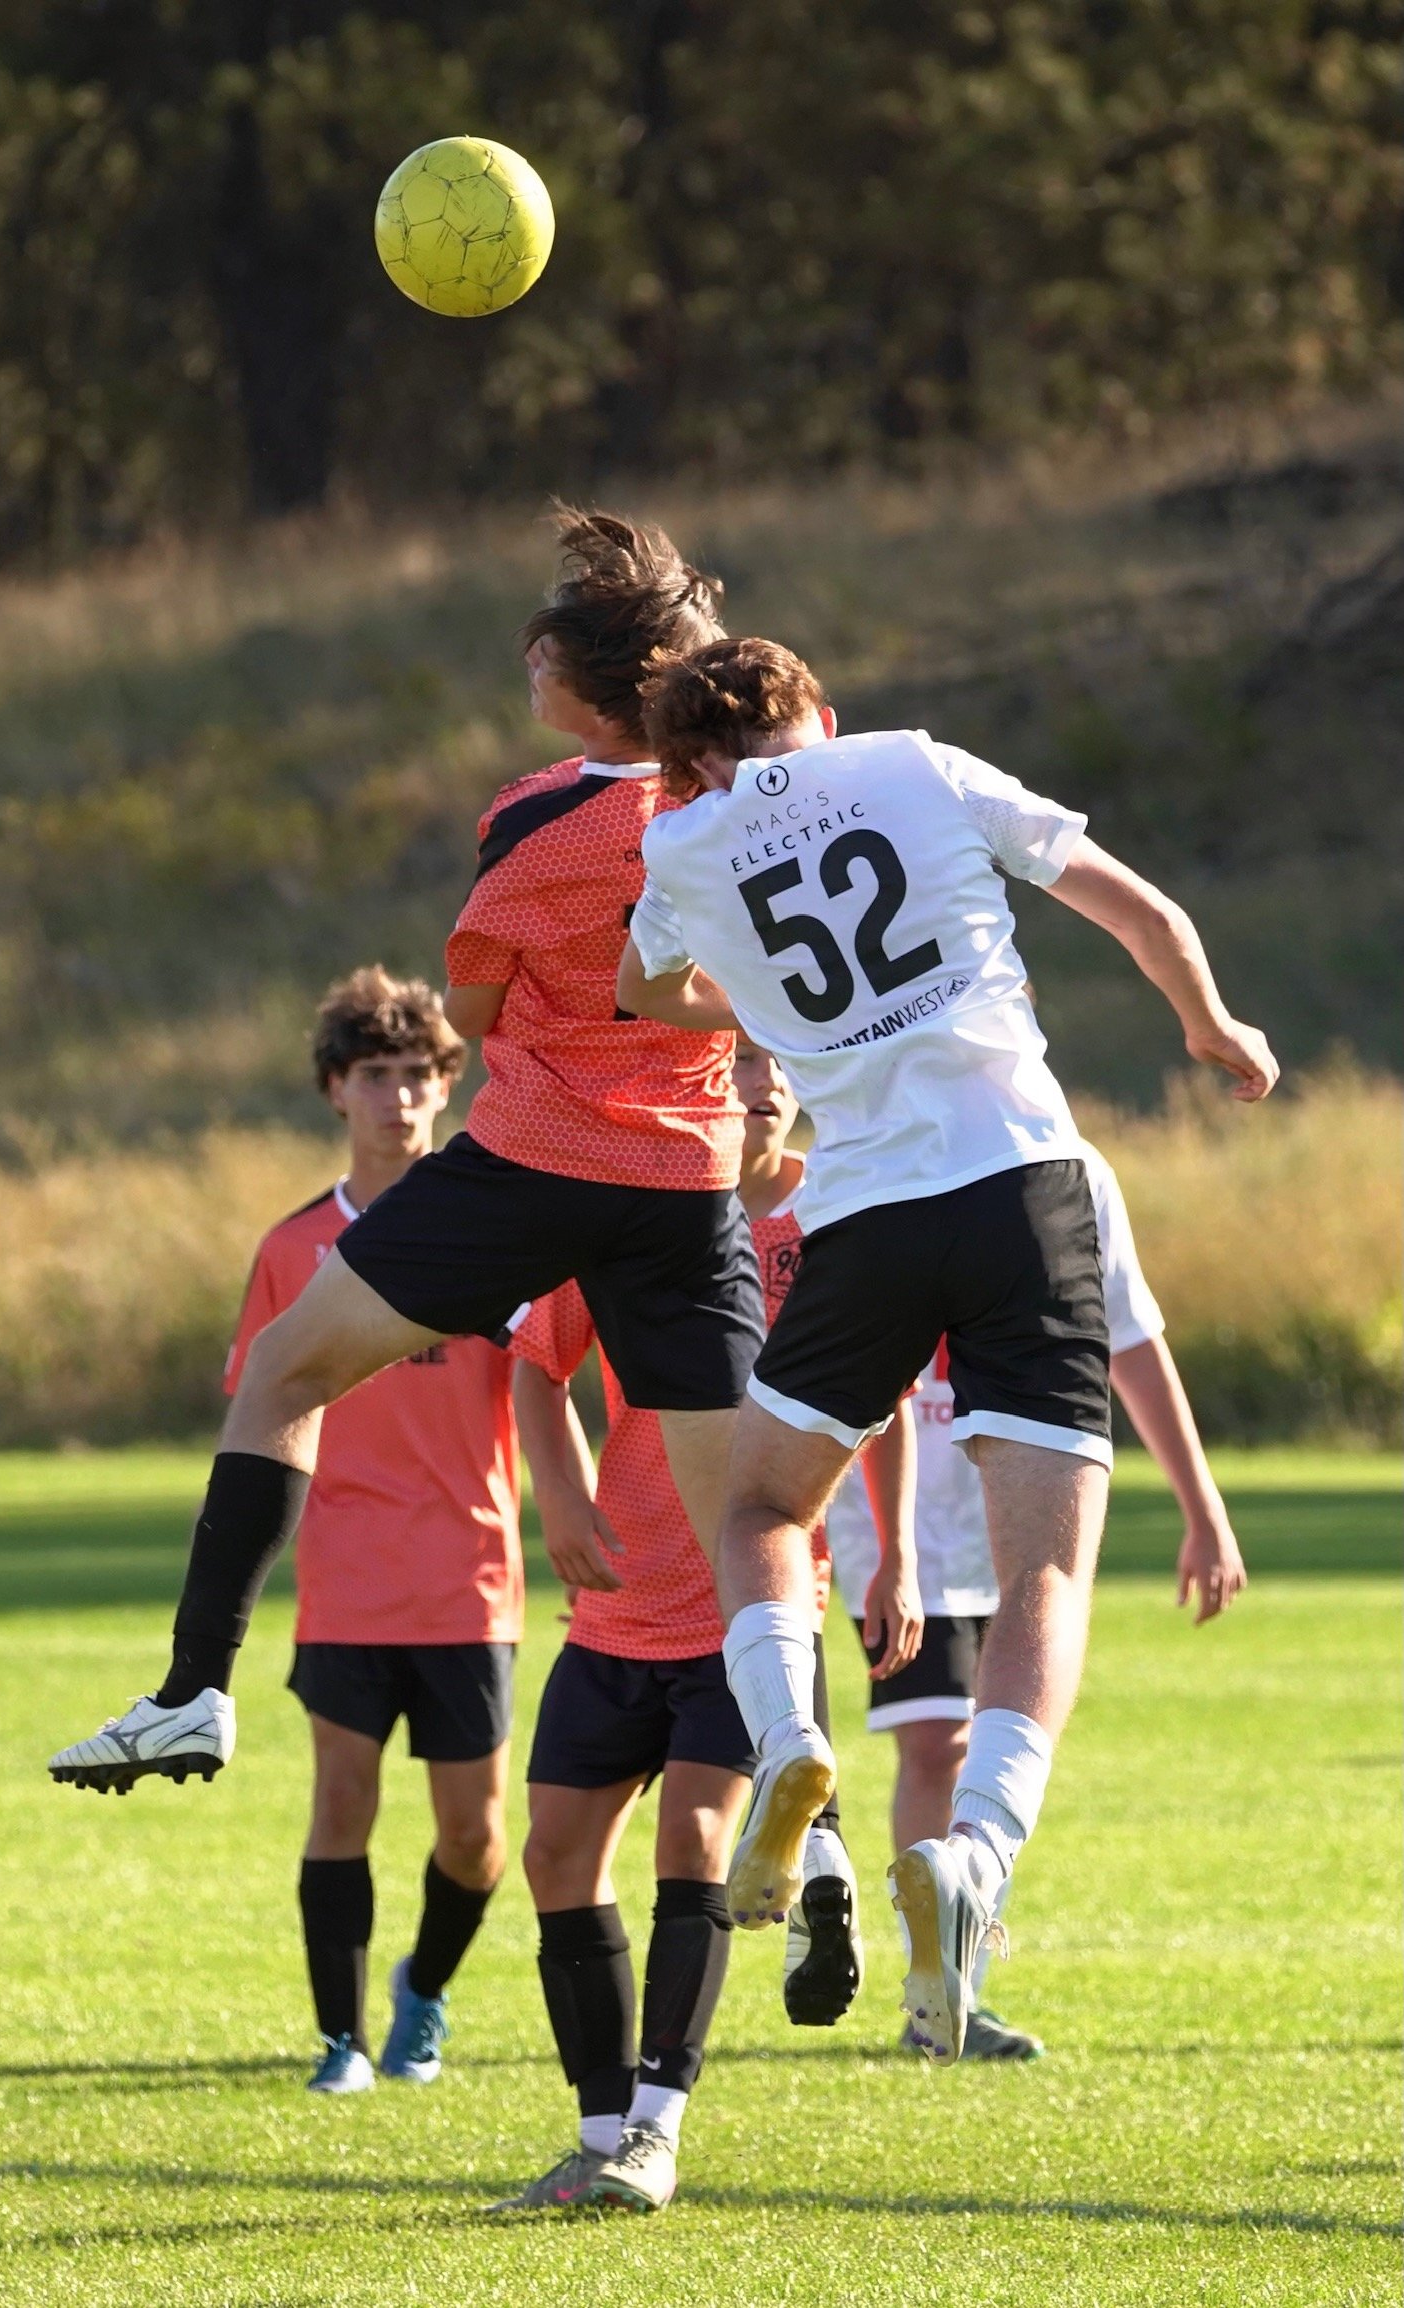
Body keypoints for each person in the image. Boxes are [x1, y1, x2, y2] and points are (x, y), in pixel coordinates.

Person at [615, 635, 1278, 2063]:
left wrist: (767, 1004)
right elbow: (1135, 907)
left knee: (760, 1508)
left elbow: (640, 992)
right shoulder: (912, 764)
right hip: (1023, 1191)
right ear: (817, 717)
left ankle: (789, 1739)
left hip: (864, 1217)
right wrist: (1209, 1026)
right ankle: (974, 1852)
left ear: (685, 762)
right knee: (1043, 1561)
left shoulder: (682, 845)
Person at [47, 510, 763, 1794]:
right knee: (739, 1530)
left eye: (541, 653)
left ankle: (194, 1690)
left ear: (588, 687)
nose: (525, 666)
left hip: (531, 1164)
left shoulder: (537, 818)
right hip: (684, 1182)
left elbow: (472, 1014)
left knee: (278, 1373)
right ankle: (800, 1796)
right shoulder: (728, 811)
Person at [55, 970, 524, 2091]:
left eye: (421, 1077)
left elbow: (552, 1379)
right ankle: (340, 2041)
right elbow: (258, 1416)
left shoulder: (501, 1231)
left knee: (476, 1834)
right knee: (340, 1804)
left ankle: (424, 1992)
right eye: (377, 1076)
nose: (400, 1099)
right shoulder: (293, 1248)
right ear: (334, 1089)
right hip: (350, 1579)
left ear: (446, 1085)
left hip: (472, 1575)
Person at [490, 1036, 915, 2215]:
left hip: (744, 1618)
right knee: (553, 1856)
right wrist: (563, 1494)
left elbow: (881, 1398)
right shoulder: (634, 1220)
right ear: (699, 1091)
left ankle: (656, 2131)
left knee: (697, 1847)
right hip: (616, 1601)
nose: (763, 1086)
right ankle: (595, 2133)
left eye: (779, 1070)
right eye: (742, 1067)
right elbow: (536, 1363)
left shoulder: (829, 1227)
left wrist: (898, 1558)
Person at [828, 1136, 1249, 2060]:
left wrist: (1202, 1507)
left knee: (999, 1751)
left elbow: (1127, 1343)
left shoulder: (1080, 1173)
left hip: (1021, 1512)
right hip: (906, 1529)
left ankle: (952, 1977)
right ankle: (939, 1996)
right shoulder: (882, 1144)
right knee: (936, 1741)